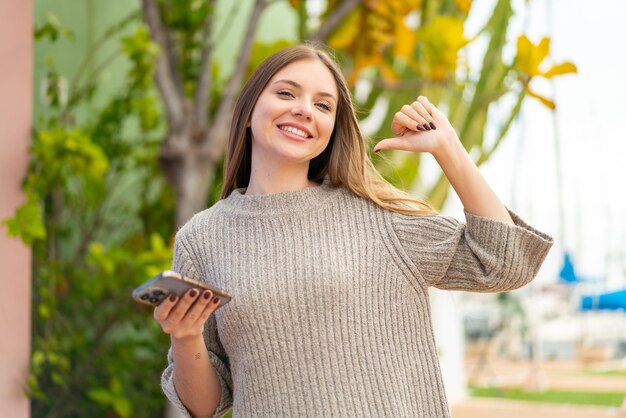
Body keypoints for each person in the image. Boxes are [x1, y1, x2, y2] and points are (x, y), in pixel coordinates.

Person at [153, 43, 553, 418]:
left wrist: (447, 147)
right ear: (250, 108)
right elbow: (204, 406)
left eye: (323, 105)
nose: (305, 110)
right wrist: (185, 337)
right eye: (287, 94)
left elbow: (507, 263)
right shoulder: (202, 238)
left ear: (332, 128)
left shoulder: (379, 219)